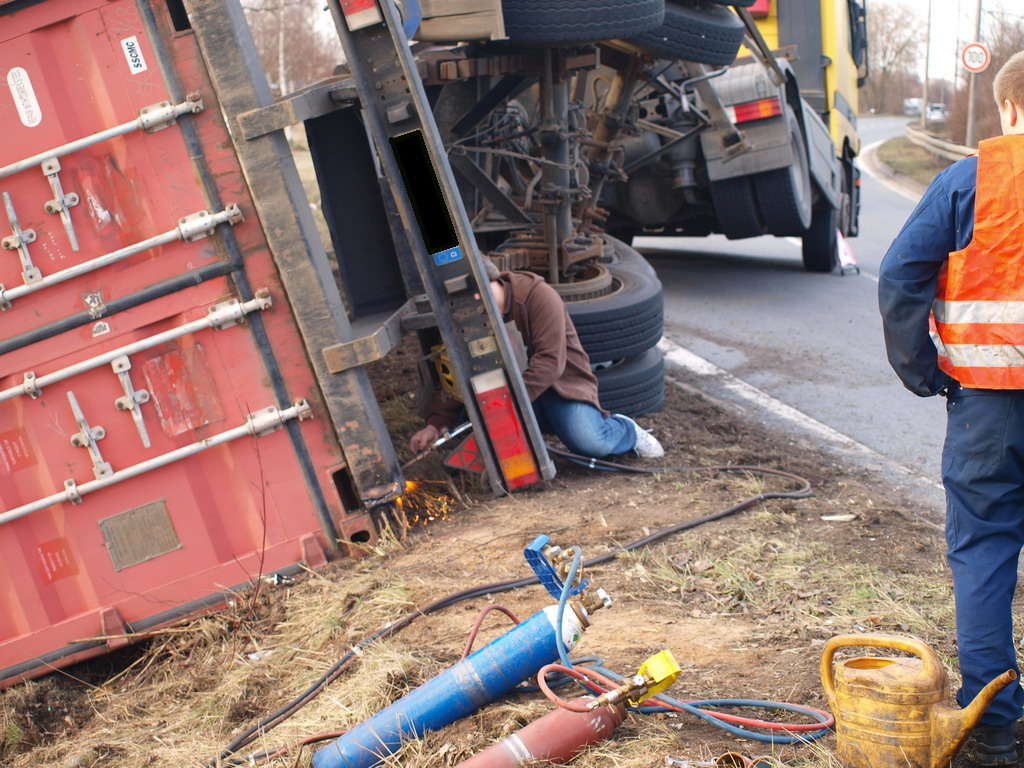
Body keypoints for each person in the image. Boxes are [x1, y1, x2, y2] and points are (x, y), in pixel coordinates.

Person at [878, 52, 1024, 767]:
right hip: (987, 408)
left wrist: (924, 371)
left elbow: (900, 273)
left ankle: (995, 729)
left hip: (988, 412)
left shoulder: (969, 179)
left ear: (1009, 109)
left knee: (986, 555)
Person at [410, 259, 664, 459]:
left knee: (590, 441)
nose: (465, 307)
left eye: (470, 296)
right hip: (511, 394)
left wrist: (503, 408)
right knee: (466, 430)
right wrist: (435, 425)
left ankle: (627, 430)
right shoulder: (467, 320)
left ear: (485, 285)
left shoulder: (538, 296)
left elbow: (550, 363)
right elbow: (452, 374)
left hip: (560, 388)